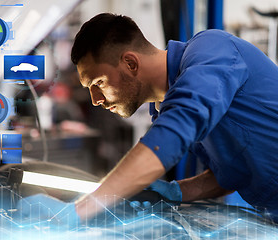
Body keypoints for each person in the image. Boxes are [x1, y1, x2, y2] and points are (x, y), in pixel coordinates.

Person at [17, 13, 278, 224]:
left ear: (130, 63)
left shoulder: (213, 51)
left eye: (99, 82)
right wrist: (178, 192)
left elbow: (173, 133)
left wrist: (80, 210)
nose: (95, 99)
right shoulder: (164, 107)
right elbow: (231, 173)